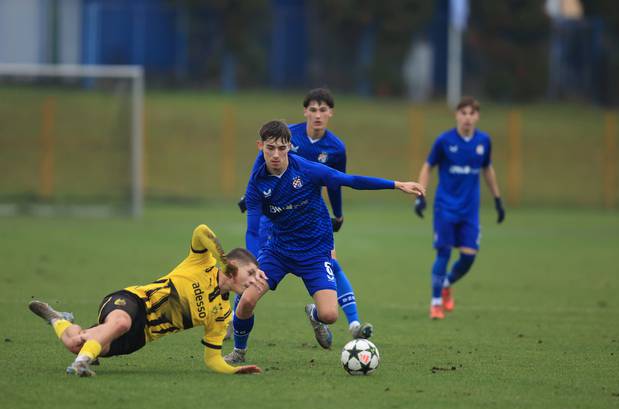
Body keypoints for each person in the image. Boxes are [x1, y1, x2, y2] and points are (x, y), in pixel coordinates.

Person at [225, 120, 424, 363]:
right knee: (246, 301)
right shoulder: (257, 184)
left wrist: (396, 185)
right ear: (260, 146)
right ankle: (238, 352)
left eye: (281, 148)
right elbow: (253, 231)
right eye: (270, 148)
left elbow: (350, 180)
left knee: (330, 315)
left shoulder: (307, 170)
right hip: (278, 250)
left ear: (290, 147)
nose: (276, 154)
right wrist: (252, 267)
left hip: (315, 251)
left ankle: (315, 316)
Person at [28, 224, 265, 377]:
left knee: (76, 342)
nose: (254, 280)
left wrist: (234, 371)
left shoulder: (222, 314)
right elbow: (201, 231)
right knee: (120, 323)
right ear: (233, 267)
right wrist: (222, 258)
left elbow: (212, 359)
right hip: (132, 301)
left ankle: (59, 320)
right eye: (251, 273)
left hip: (141, 337)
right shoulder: (202, 263)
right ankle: (81, 363)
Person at [237, 88, 372, 340]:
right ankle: (236, 319)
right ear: (305, 112)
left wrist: (338, 214)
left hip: (307, 215)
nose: (318, 115)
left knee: (330, 260)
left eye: (323, 110)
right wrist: (250, 195)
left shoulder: (336, 148)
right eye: (313, 109)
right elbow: (261, 165)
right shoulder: (287, 135)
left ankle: (348, 320)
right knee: (256, 267)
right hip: (274, 214)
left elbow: (337, 182)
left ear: (331, 113)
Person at [414, 96, 505, 320]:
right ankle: (435, 303)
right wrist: (420, 195)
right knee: (443, 252)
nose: (467, 117)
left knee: (469, 257)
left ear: (477, 116)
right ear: (457, 115)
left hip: (469, 211)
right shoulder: (444, 141)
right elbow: (428, 167)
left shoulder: (484, 141)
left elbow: (488, 170)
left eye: (471, 113)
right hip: (445, 207)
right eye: (463, 113)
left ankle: (446, 283)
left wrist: (497, 199)